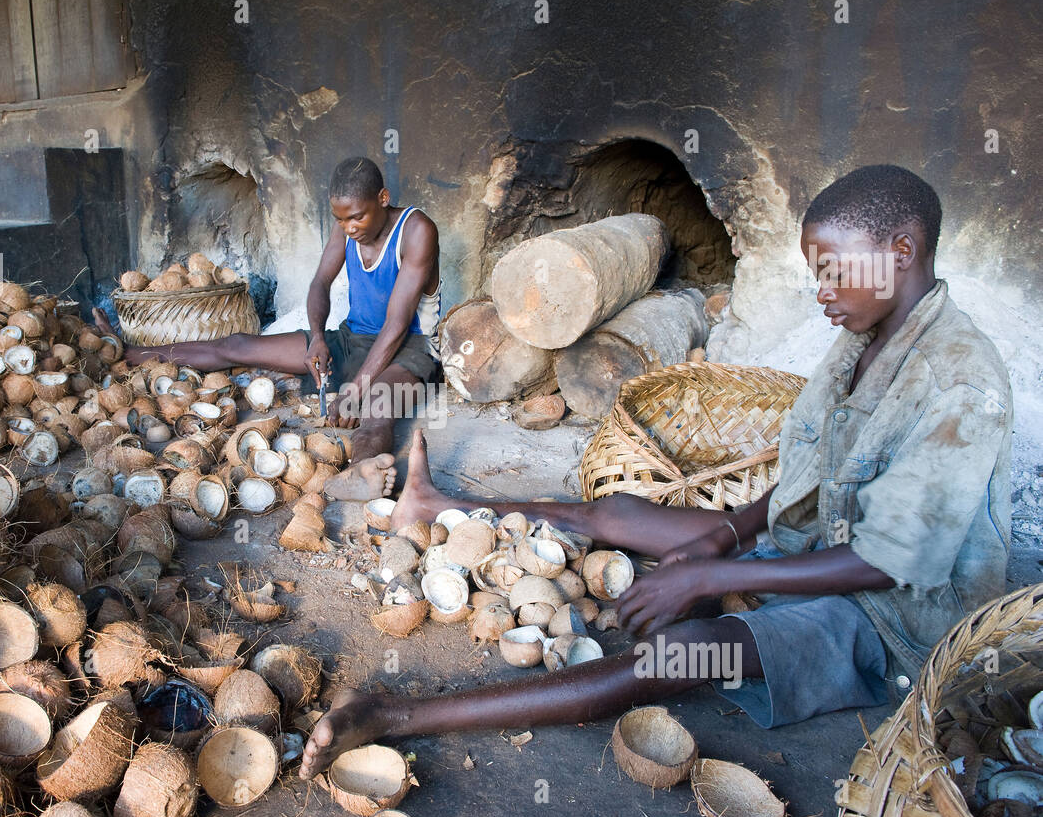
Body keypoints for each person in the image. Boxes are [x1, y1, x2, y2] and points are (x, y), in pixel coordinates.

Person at [298, 164, 1013, 780]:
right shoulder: (864, 334)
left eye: (833, 271)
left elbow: (886, 565)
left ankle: (396, 716)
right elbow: (807, 477)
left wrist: (713, 576)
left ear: (902, 250)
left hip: (885, 621)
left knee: (681, 655)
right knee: (625, 513)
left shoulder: (960, 382)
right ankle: (439, 502)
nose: (821, 292)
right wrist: (724, 536)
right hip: (810, 550)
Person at [94, 157, 442, 502]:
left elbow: (397, 324)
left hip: (408, 347)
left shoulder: (416, 230)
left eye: (357, 217)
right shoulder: (347, 226)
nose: (349, 227)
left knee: (376, 410)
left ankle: (360, 475)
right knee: (238, 345)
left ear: (383, 198)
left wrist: (357, 388)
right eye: (341, 219)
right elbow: (320, 283)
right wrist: (318, 338)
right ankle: (131, 352)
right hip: (351, 339)